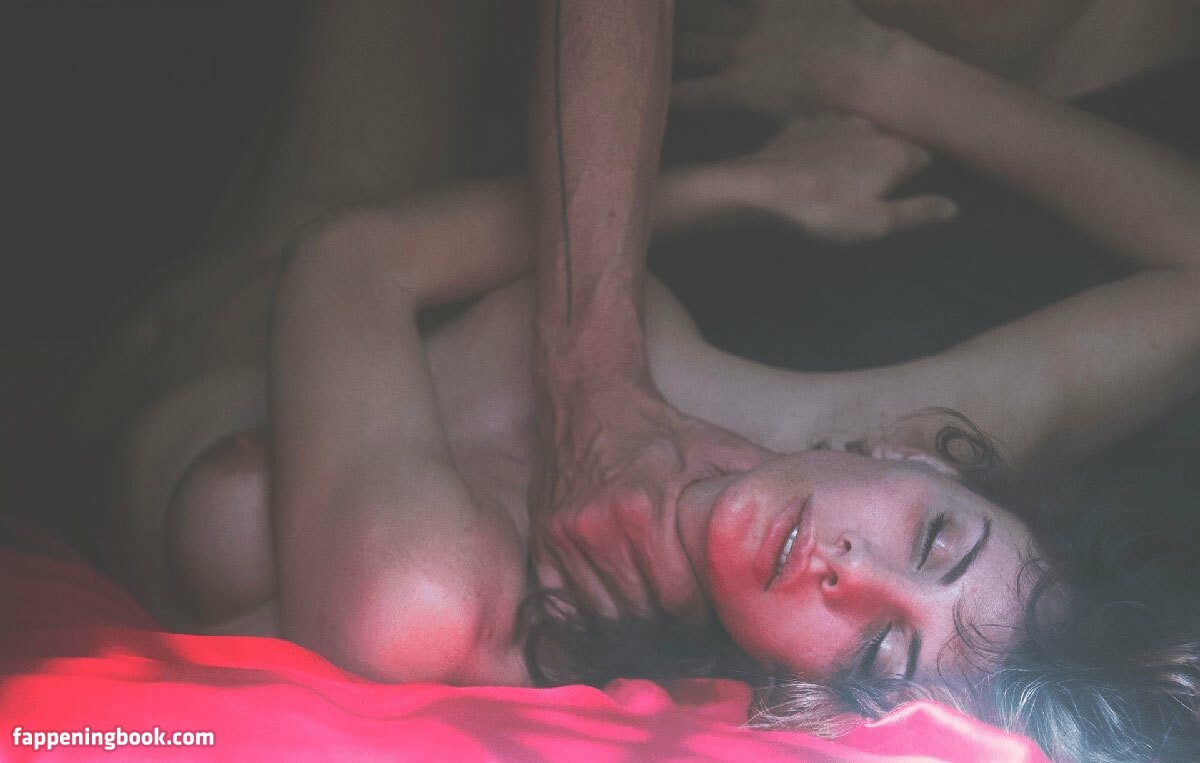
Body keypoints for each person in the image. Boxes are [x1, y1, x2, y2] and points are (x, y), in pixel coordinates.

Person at [60, 2, 1200, 759]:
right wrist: (875, 71)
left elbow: (349, 261)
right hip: (342, 179)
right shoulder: (856, 423)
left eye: (881, 652)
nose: (853, 571)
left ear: (813, 707)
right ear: (917, 456)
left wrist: (733, 187)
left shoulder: (437, 602)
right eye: (936, 538)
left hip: (113, 348)